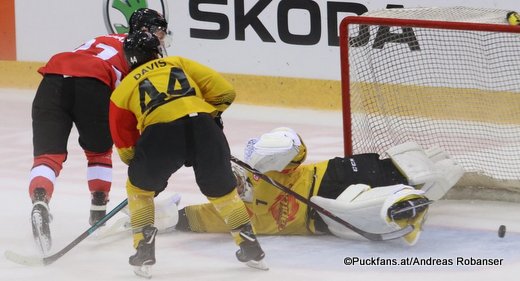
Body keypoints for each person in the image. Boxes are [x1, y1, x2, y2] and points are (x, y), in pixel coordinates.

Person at [109, 31, 267, 278]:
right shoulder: (178, 62)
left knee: (139, 190)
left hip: (160, 136)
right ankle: (250, 247)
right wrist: (209, 116)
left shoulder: (122, 90)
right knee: (223, 192)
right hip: (204, 128)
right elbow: (226, 93)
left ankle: (143, 249)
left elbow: (125, 144)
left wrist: (143, 168)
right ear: (156, 51)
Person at [169, 127, 464, 245]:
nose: (235, 182)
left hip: (333, 173)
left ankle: (418, 183)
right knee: (351, 207)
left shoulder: (263, 172)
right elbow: (196, 217)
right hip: (323, 211)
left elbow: (296, 145)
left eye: (233, 176)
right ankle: (405, 206)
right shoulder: (240, 216)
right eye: (229, 183)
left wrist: (269, 151)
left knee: (397, 170)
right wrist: (168, 218)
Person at [29, 8, 168, 255]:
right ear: (145, 31)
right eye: (159, 31)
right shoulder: (141, 52)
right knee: (99, 152)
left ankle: (40, 201)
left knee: (47, 157)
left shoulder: (103, 39)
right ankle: (98, 213)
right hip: (92, 83)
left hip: (51, 79)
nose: (162, 37)